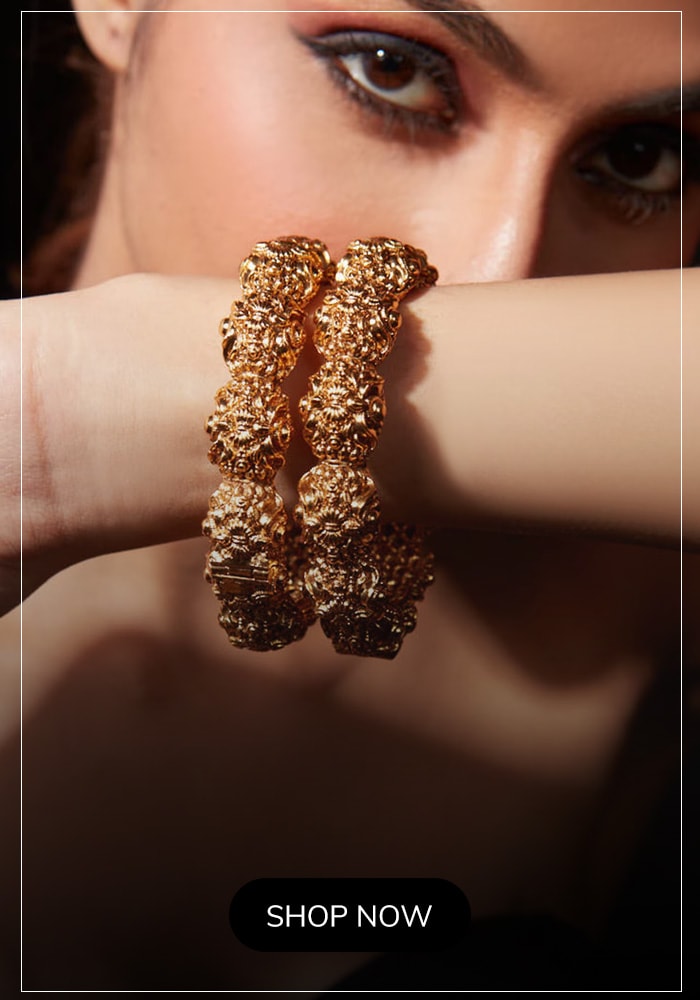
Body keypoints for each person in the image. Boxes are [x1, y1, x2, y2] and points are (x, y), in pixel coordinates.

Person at [2, 0, 699, 989]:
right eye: (389, 70)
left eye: (641, 157)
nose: (500, 285)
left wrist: (60, 417)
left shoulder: (659, 624)